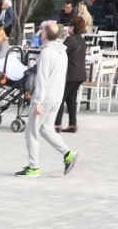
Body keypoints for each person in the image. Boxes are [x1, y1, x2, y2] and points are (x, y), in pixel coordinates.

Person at [16, 22, 77, 179]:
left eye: (41, 30)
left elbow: (42, 79)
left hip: (45, 98)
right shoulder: (62, 52)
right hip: (56, 97)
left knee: (31, 131)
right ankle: (68, 153)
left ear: (45, 34)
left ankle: (33, 167)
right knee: (47, 129)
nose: (39, 32)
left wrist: (37, 101)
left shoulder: (46, 53)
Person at [56, 11, 89, 133]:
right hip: (80, 75)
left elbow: (61, 54)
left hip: (70, 75)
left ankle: (57, 124)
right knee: (71, 99)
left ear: (73, 27)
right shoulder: (81, 40)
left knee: (60, 98)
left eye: (70, 26)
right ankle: (72, 124)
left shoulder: (70, 40)